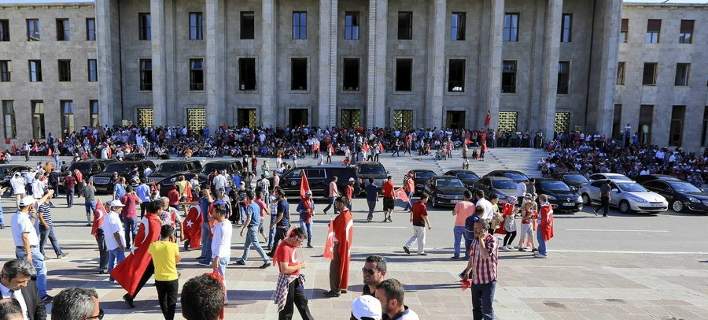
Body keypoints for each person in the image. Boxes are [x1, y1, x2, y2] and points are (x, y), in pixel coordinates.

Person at [111, 200, 162, 308]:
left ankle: (131, 295)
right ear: (157, 210)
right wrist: (136, 250)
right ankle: (131, 295)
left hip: (153, 253)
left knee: (153, 275)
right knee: (146, 275)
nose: (162, 210)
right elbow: (140, 237)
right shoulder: (148, 220)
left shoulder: (154, 219)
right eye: (161, 208)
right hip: (148, 254)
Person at [11, 196, 51, 303]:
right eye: (32, 205)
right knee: (40, 270)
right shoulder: (24, 219)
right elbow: (25, 236)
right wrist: (29, 254)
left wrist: (32, 216)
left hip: (20, 248)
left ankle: (27, 295)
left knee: (25, 272)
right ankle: (42, 295)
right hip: (29, 249)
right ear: (29, 206)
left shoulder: (16, 216)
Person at [272, 227, 313, 320]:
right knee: (287, 310)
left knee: (303, 305)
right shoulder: (284, 248)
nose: (301, 244)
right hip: (287, 281)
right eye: (300, 241)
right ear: (295, 238)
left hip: (296, 279)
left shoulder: (295, 245)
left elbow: (299, 258)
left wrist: (300, 258)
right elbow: (284, 269)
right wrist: (300, 266)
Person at [461, 218, 498, 320]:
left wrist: (481, 239)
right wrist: (467, 270)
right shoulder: (475, 241)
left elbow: (485, 255)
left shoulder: (492, 239)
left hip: (488, 281)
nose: (475, 230)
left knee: (487, 309)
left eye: (477, 228)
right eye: (474, 228)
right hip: (476, 281)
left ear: (485, 229)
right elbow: (472, 257)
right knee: (476, 309)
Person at [148, 225, 181, 320]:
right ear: (171, 236)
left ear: (160, 234)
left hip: (159, 278)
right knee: (172, 302)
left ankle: (168, 318)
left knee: (162, 301)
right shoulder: (174, 246)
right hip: (172, 278)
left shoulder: (153, 245)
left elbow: (149, 253)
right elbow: (177, 259)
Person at [325, 197, 353, 297]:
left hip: (340, 246)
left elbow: (343, 235)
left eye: (337, 203)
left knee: (334, 269)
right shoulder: (346, 214)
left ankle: (335, 290)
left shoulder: (344, 217)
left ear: (342, 204)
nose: (335, 205)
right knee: (340, 267)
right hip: (342, 245)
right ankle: (341, 287)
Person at [235, 191, 271, 268]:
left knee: (256, 244)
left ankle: (266, 259)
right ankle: (243, 259)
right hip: (254, 227)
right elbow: (258, 216)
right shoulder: (256, 205)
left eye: (245, 197)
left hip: (252, 228)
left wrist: (243, 228)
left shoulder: (250, 206)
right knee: (247, 245)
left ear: (247, 198)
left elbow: (249, 219)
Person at [210, 204, 232, 303]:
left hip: (220, 256)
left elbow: (222, 243)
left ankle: (224, 298)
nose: (212, 213)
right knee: (218, 277)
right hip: (219, 255)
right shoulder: (223, 223)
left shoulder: (223, 226)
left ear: (218, 213)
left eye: (214, 212)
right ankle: (221, 297)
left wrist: (217, 257)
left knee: (220, 278)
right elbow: (214, 232)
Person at [36, 190, 66, 259]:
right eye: (52, 194)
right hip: (45, 226)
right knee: (43, 241)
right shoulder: (42, 204)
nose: (52, 195)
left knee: (54, 239)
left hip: (50, 225)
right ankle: (41, 254)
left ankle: (59, 253)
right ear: (48, 195)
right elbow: (40, 215)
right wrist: (45, 224)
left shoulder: (48, 203)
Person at [103, 200, 126, 281]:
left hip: (110, 243)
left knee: (111, 261)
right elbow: (116, 232)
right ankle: (120, 277)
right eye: (120, 207)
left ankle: (112, 276)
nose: (121, 209)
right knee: (121, 263)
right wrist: (120, 244)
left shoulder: (108, 216)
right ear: (115, 208)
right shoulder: (113, 217)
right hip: (116, 244)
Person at [452, 190, 475, 259]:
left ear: (464, 196)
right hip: (468, 226)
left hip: (458, 224)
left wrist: (453, 211)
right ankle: (467, 255)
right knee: (468, 241)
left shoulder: (459, 203)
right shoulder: (473, 205)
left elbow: (454, 213)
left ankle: (457, 254)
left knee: (457, 241)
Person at [268, 190, 290, 257]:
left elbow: (280, 215)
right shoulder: (285, 201)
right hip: (282, 225)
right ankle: (273, 253)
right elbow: (288, 213)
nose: (275, 196)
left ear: (280, 195)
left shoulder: (281, 203)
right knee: (276, 240)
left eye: (277, 194)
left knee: (285, 242)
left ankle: (288, 255)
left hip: (282, 225)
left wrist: (273, 223)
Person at [120, 185, 141, 250]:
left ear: (126, 190)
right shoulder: (133, 196)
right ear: (132, 190)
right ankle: (134, 245)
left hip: (125, 216)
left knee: (126, 231)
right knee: (134, 231)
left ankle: (127, 245)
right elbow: (140, 201)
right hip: (133, 216)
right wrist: (136, 195)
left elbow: (121, 206)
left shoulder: (123, 197)